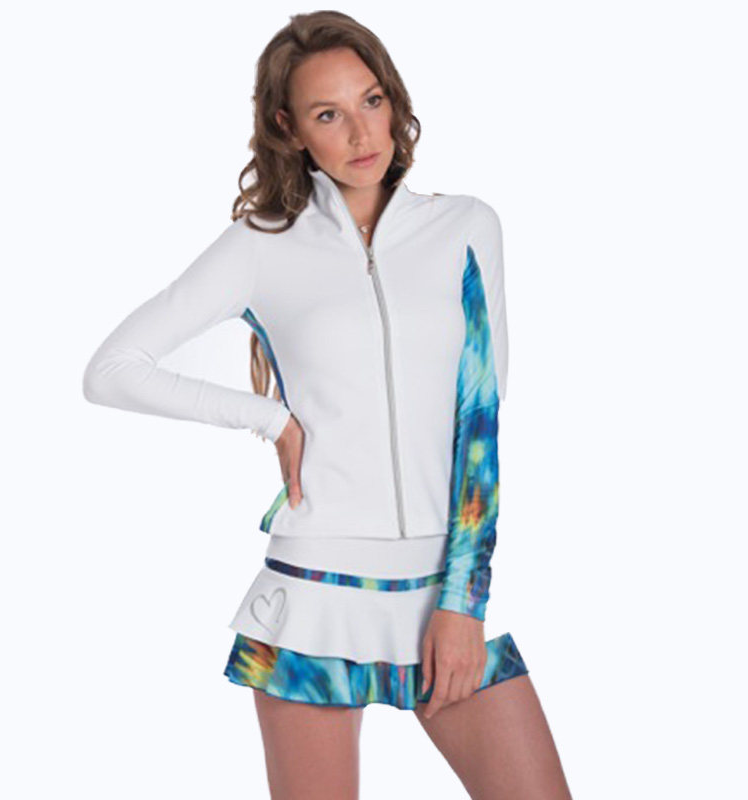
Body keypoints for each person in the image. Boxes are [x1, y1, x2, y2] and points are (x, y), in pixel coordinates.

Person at [82, 10, 572, 799]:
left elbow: (480, 420)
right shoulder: (262, 243)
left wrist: (463, 601)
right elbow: (112, 370)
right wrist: (270, 419)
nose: (361, 132)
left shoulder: (465, 227)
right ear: (289, 128)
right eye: (327, 114)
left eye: (371, 100)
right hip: (312, 595)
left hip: (440, 591)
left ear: (395, 99)